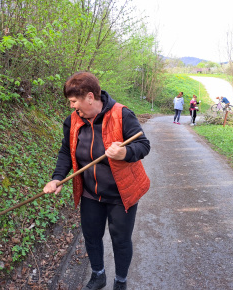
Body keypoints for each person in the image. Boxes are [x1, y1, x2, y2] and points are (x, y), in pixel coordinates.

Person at [43, 72, 150, 290]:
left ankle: (120, 281)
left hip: (121, 194)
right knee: (91, 236)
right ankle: (98, 275)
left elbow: (143, 145)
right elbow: (66, 151)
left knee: (120, 240)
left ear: (90, 97)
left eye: (74, 101)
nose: (72, 107)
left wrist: (124, 153)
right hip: (91, 193)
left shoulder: (122, 114)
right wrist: (57, 178)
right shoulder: (73, 121)